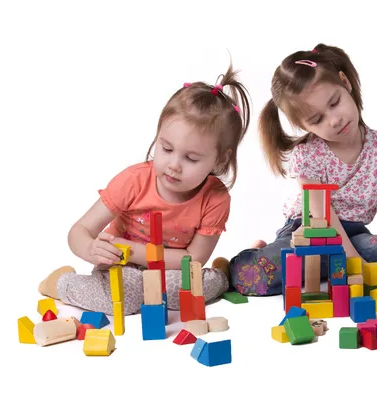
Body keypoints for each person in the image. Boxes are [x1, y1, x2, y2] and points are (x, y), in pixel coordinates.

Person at [228, 43, 377, 297]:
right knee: (251, 278)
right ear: (302, 125)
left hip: (355, 237)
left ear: (345, 83)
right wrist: (353, 266)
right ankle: (258, 252)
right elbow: (324, 216)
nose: (334, 119)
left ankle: (326, 270)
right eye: (317, 119)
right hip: (310, 234)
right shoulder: (307, 155)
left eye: (334, 102)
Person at [38, 63, 251, 315]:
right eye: (167, 149)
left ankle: (220, 273)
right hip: (121, 266)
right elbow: (79, 231)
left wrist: (134, 252)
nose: (174, 165)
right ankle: (62, 283)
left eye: (191, 158)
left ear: (219, 160)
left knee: (187, 294)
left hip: (168, 270)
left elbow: (194, 259)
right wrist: (90, 249)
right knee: (125, 302)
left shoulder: (215, 198)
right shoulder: (133, 181)